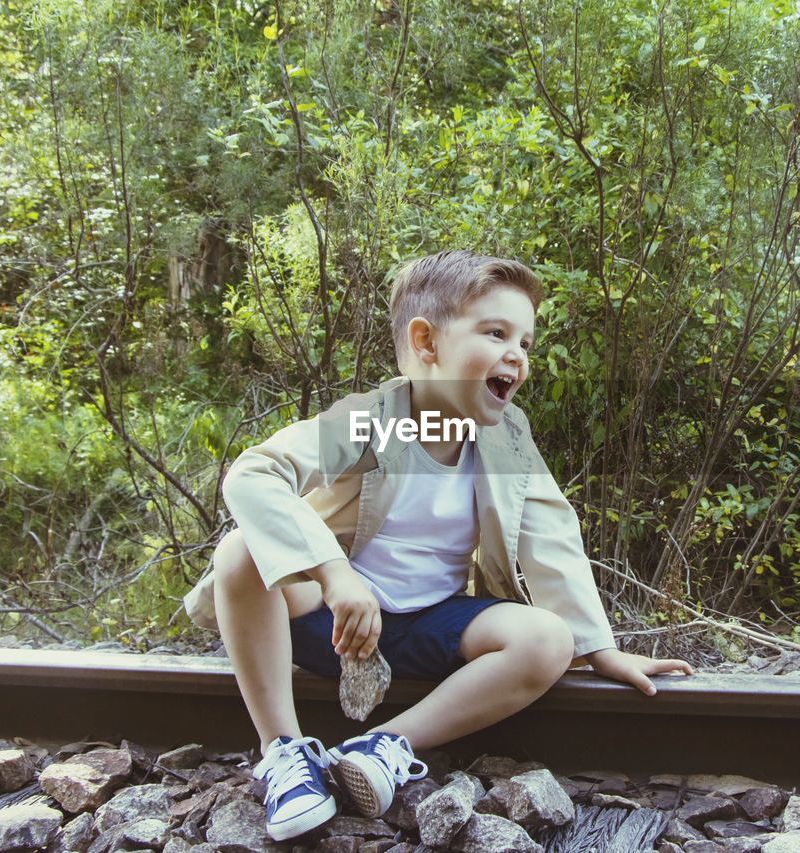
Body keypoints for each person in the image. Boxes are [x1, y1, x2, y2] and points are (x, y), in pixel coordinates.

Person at [182, 249, 693, 841]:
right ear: (426, 343)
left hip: (430, 626)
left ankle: (384, 746)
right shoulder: (370, 421)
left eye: (525, 342)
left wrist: (600, 650)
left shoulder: (507, 438)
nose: (517, 356)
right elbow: (253, 474)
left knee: (548, 640)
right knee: (240, 553)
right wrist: (333, 576)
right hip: (334, 624)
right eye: (497, 333)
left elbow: (551, 535)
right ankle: (285, 755)